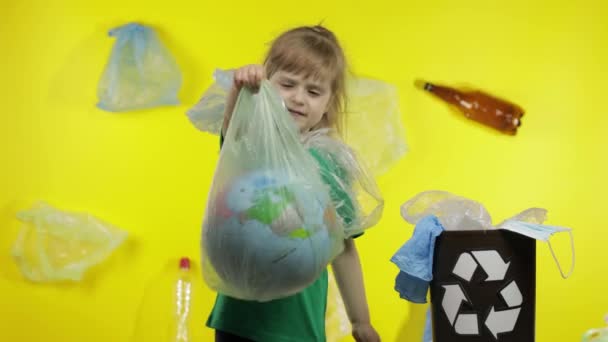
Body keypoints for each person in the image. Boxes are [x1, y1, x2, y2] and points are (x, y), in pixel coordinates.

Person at [207, 25, 381, 342]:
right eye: (287, 84)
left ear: (329, 102)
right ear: (267, 85)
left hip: (297, 321)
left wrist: (361, 320)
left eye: (314, 91)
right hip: (240, 319)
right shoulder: (254, 144)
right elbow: (235, 128)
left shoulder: (331, 165)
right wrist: (241, 89)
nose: (299, 98)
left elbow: (343, 249)